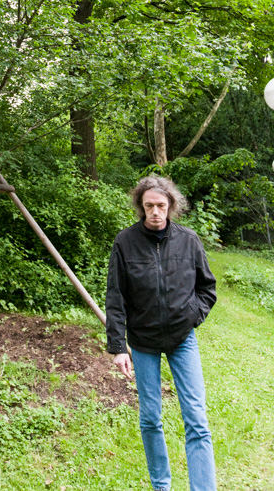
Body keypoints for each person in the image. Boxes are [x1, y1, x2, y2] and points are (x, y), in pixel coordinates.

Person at [106, 175, 217, 491]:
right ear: (141, 207)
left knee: (196, 418)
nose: (155, 211)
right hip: (143, 342)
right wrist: (118, 347)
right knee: (150, 418)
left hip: (183, 339)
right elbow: (115, 297)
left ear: (171, 205)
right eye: (149, 206)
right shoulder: (124, 243)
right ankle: (161, 486)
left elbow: (207, 287)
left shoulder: (188, 240)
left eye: (161, 205)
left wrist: (191, 316)